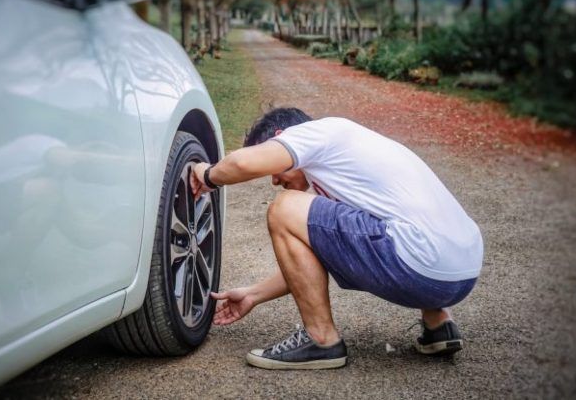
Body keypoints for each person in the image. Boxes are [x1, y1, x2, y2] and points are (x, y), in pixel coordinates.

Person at [190, 108, 483, 370]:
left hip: (419, 262)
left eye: (273, 170)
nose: (274, 180)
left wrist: (208, 174)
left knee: (284, 207)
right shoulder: (354, 157)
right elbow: (322, 254)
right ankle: (439, 325)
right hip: (461, 274)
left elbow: (242, 165)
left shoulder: (314, 133)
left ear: (281, 137)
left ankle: (321, 340)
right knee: (400, 222)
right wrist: (254, 294)